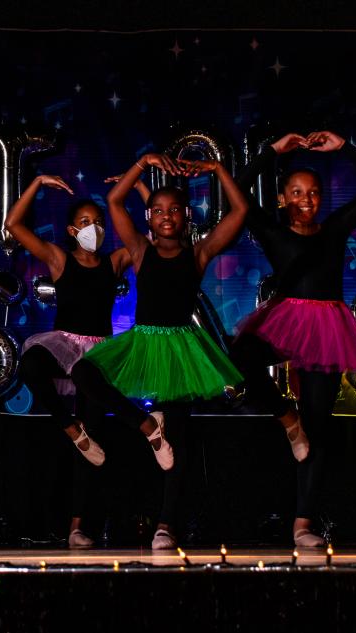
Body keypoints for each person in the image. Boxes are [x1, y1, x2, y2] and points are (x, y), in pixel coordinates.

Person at [71, 153, 248, 549]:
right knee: (84, 373)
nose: (166, 216)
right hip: (144, 340)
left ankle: (166, 525)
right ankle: (146, 425)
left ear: (186, 215)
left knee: (181, 438)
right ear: (148, 217)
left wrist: (219, 170)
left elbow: (241, 210)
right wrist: (142, 162)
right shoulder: (139, 249)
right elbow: (115, 202)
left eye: (174, 210)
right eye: (157, 210)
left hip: (182, 347)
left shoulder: (199, 253)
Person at [230, 130, 356, 547]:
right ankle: (287, 419)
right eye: (296, 191)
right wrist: (270, 152)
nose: (306, 198)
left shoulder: (334, 229)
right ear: (282, 199)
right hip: (285, 318)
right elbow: (235, 193)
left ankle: (303, 524)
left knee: (319, 426)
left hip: (328, 329)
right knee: (239, 358)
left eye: (314, 192)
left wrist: (347, 147)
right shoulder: (270, 228)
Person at [3, 174, 132, 547]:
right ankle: (67, 426)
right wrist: (38, 182)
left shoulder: (115, 262)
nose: (96, 229)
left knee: (92, 443)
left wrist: (134, 185)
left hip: (98, 353)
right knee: (30, 366)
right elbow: (13, 225)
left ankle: (77, 526)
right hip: (64, 344)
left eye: (100, 222)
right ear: (73, 229)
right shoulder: (59, 259)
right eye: (87, 222)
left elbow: (148, 243)